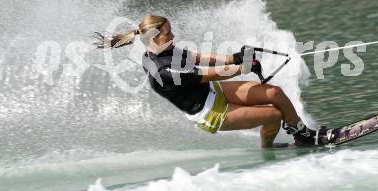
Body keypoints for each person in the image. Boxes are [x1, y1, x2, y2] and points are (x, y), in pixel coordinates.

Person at [94, 15, 320, 148]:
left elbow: (199, 58)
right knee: (273, 115)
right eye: (168, 34)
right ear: (153, 38)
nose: (173, 37)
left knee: (274, 93)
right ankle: (268, 151)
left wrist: (234, 57)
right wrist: (241, 67)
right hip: (210, 112)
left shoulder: (167, 50)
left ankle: (302, 134)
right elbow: (211, 74)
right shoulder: (162, 70)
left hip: (212, 90)